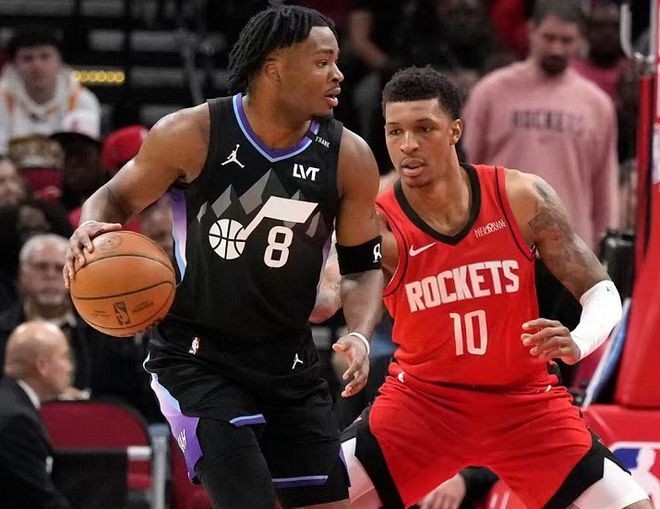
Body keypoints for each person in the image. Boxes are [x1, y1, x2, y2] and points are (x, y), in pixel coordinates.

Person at [63, 5, 384, 509]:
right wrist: (90, 226)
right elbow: (113, 197)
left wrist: (361, 333)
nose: (339, 74)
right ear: (275, 69)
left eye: (336, 61)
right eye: (323, 62)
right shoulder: (192, 133)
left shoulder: (349, 155)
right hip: (197, 359)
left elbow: (363, 266)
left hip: (291, 364)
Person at [338, 66, 650, 509]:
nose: (407, 144)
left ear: (455, 130)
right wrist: (353, 333)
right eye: (395, 131)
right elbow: (341, 283)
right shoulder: (379, 220)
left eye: (424, 128)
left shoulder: (520, 196)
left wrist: (578, 341)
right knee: (314, 497)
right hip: (422, 406)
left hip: (525, 406)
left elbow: (601, 290)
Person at [462, 0, 618, 253]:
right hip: (498, 243)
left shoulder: (597, 104)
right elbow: (463, 173)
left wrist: (606, 248)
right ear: (531, 31)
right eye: (549, 38)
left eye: (566, 40)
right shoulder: (490, 93)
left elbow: (604, 185)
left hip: (571, 251)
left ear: (581, 40)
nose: (556, 48)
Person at [0, 320, 74, 509]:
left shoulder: (11, 402)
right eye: (64, 357)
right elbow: (39, 499)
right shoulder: (16, 420)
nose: (70, 368)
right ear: (42, 366)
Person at [0, 26, 101, 154]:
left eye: (45, 57)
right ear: (14, 65)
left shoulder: (83, 100)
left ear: (60, 60)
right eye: (27, 58)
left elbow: (83, 155)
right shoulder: (2, 99)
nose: (37, 65)